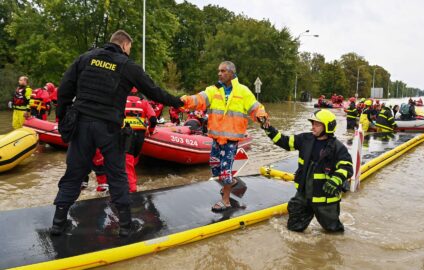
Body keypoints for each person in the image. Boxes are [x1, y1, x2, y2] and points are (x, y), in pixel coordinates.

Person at [51, 30, 184, 237]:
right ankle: (125, 226)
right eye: (129, 48)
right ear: (124, 45)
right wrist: (178, 102)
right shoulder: (127, 65)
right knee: (117, 175)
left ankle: (58, 224)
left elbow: (65, 90)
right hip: (109, 128)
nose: (129, 52)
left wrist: (62, 119)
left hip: (81, 124)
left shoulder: (85, 58)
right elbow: (154, 91)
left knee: (74, 174)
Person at [181, 61, 268, 212]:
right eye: (218, 71)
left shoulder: (243, 91)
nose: (219, 74)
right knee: (215, 168)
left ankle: (226, 200)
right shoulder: (213, 90)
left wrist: (262, 116)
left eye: (222, 71)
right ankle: (232, 182)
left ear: (231, 73)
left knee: (225, 171)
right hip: (216, 138)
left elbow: (255, 107)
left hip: (231, 140)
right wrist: (184, 101)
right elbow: (198, 99)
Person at [262, 109, 353, 232]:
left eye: (317, 124)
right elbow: (285, 141)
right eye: (312, 124)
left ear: (327, 127)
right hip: (304, 194)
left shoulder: (338, 148)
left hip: (325, 198)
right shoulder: (305, 139)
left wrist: (335, 180)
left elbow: (347, 167)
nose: (313, 127)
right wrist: (268, 129)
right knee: (293, 229)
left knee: (333, 233)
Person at [123, 87, 157, 192]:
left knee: (127, 161)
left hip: (126, 134)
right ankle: (131, 182)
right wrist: (150, 131)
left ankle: (131, 188)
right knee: (133, 160)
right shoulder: (144, 102)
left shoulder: (121, 100)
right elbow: (153, 119)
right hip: (140, 135)